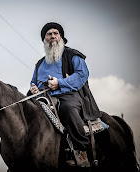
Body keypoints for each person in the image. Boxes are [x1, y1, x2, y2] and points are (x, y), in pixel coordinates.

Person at [28, 22, 101, 167]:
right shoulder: (39, 64)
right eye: (49, 34)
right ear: (44, 39)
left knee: (67, 108)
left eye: (56, 33)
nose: (53, 36)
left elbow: (82, 74)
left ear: (61, 37)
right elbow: (33, 83)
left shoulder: (72, 55)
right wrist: (33, 90)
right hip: (44, 99)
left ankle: (81, 150)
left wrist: (59, 83)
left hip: (69, 95)